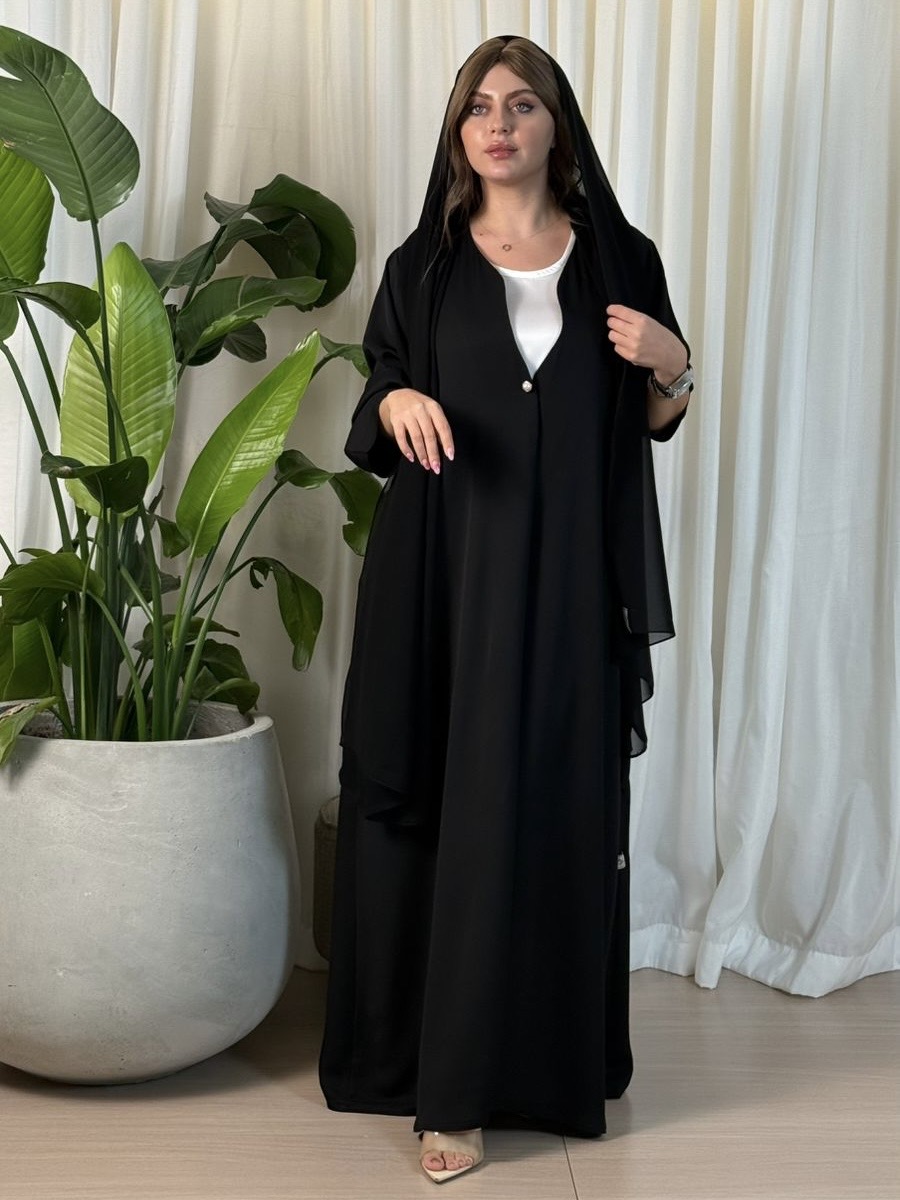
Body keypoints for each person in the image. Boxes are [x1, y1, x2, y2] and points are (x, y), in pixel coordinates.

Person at [318, 34, 692, 1183]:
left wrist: (672, 363)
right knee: (456, 814)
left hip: (572, 588)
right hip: (445, 586)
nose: (499, 124)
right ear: (458, 131)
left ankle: (552, 1067)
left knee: (559, 816)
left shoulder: (622, 258)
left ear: (556, 125)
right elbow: (379, 393)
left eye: (522, 105)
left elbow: (657, 416)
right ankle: (454, 1091)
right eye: (479, 107)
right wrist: (399, 401)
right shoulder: (422, 267)